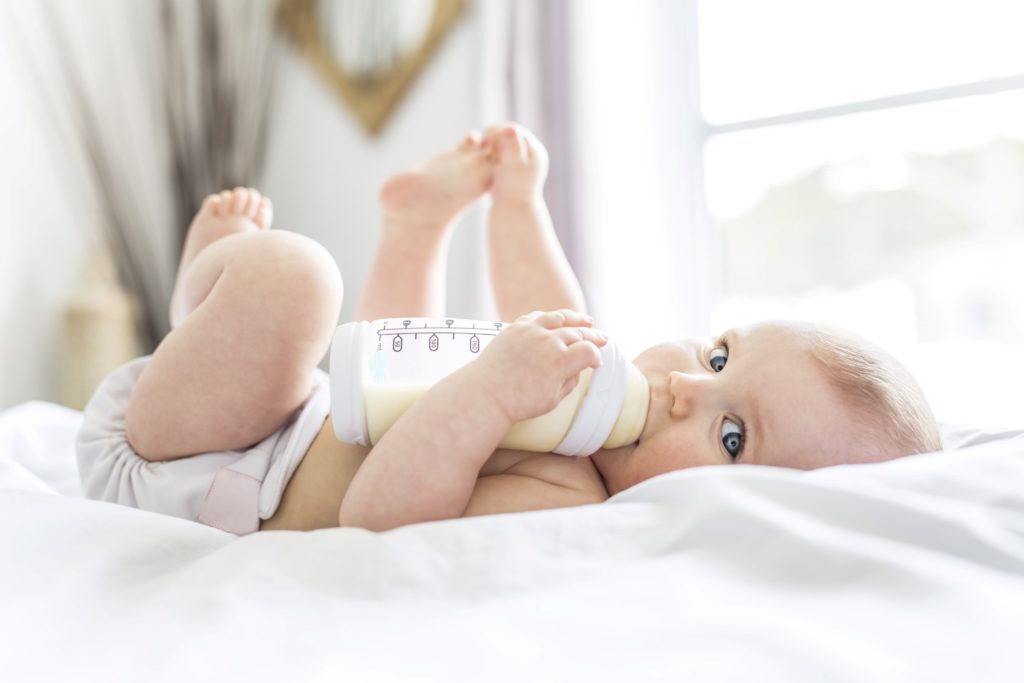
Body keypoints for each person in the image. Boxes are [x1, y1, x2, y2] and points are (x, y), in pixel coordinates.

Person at [76, 122, 942, 535]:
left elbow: (376, 513)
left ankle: (207, 293)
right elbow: (544, 300)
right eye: (718, 354)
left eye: (731, 430)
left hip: (197, 474)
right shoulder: (596, 409)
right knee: (384, 343)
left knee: (299, 280)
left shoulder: (566, 497)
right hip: (283, 414)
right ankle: (409, 232)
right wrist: (520, 203)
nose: (687, 385)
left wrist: (489, 394)